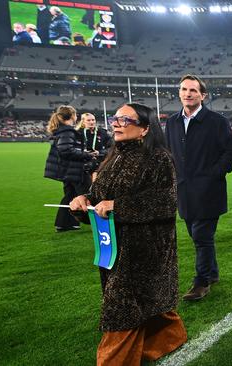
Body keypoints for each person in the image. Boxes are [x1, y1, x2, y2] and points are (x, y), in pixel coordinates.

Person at [69, 103, 186, 365]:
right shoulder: (113, 157)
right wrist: (83, 202)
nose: (116, 123)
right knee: (147, 302)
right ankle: (169, 337)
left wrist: (117, 207)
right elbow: (100, 198)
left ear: (145, 129)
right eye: (115, 118)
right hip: (113, 245)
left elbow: (166, 203)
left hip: (145, 250)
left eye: (125, 119)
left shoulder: (158, 158)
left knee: (121, 309)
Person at [165, 74, 232, 301]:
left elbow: (231, 152)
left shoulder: (217, 121)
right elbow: (168, 153)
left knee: (201, 237)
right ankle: (212, 273)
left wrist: (214, 174)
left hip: (209, 191)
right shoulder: (172, 122)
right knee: (197, 236)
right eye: (184, 89)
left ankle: (201, 282)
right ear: (179, 93)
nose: (188, 93)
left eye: (193, 90)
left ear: (202, 95)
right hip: (184, 191)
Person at [43, 105, 96, 232]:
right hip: (74, 170)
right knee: (89, 193)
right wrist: (87, 155)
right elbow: (66, 150)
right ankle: (98, 222)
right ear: (73, 116)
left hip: (68, 170)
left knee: (69, 196)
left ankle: (65, 223)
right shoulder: (67, 131)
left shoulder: (61, 130)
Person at [75, 112, 112, 180]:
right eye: (88, 120)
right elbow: (72, 149)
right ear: (83, 122)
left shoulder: (102, 132)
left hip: (99, 164)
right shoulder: (77, 133)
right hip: (81, 165)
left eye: (93, 120)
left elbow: (112, 147)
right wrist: (84, 153)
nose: (91, 122)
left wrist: (100, 152)